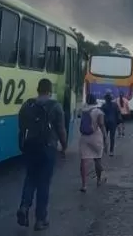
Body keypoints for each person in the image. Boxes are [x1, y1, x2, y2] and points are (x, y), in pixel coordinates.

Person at [16, 78, 68, 231]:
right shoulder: (55, 106)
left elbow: (21, 126)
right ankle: (40, 219)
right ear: (50, 90)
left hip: (30, 146)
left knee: (30, 178)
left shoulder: (27, 105)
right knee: (44, 183)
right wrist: (64, 146)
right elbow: (61, 130)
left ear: (38, 89)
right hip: (48, 148)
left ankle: (24, 207)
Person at [78, 93, 106, 192]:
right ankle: (98, 180)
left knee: (83, 161)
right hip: (96, 137)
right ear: (95, 101)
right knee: (97, 160)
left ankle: (84, 185)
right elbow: (101, 125)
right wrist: (105, 138)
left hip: (84, 137)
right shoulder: (98, 111)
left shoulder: (83, 110)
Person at [101, 93, 121, 157]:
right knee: (112, 137)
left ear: (105, 99)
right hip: (113, 123)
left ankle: (104, 149)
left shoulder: (104, 105)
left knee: (104, 136)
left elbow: (101, 114)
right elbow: (118, 113)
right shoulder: (115, 105)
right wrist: (118, 122)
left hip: (105, 122)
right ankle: (111, 151)